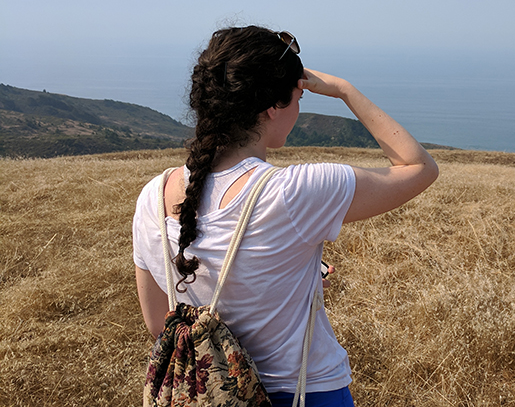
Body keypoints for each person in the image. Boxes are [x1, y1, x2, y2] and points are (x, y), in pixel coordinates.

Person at [133, 25, 438, 407]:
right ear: (271, 107)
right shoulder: (296, 191)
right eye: (297, 97)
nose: (299, 106)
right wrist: (344, 90)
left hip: (207, 396)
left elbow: (156, 323)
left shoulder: (152, 196)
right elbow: (419, 167)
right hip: (304, 392)